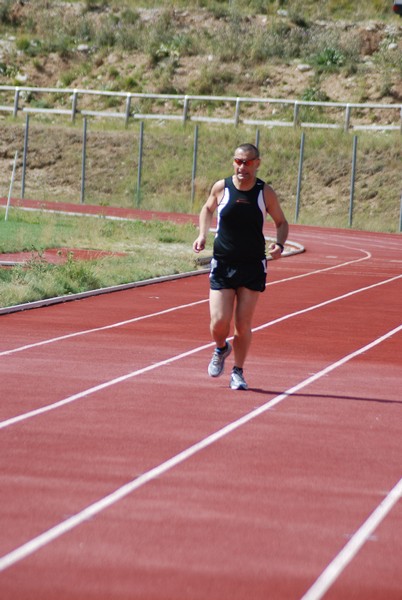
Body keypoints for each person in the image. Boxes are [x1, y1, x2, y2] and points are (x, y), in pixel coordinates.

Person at [193, 143, 288, 390]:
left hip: (252, 264)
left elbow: (281, 221)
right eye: (238, 161)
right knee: (219, 323)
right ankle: (221, 348)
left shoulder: (264, 192)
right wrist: (203, 234)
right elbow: (206, 209)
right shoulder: (221, 187)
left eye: (247, 162)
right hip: (223, 262)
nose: (242, 167)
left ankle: (238, 371)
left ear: (257, 163)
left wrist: (279, 244)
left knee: (243, 324)